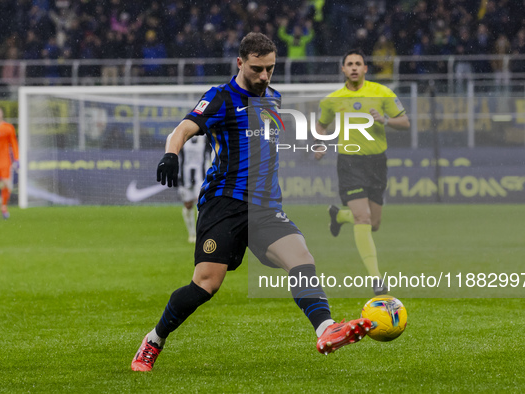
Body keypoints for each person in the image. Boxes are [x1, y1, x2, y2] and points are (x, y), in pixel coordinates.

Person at [131, 33, 372, 372]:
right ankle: (153, 341)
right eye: (257, 69)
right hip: (224, 204)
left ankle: (326, 329)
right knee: (206, 284)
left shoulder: (273, 98)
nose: (264, 76)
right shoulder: (220, 97)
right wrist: (171, 154)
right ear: (241, 63)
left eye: (270, 69)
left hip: (265, 206)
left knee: (302, 258)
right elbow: (184, 128)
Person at [314, 48, 410, 295]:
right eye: (350, 64)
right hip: (349, 163)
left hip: (377, 163)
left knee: (373, 223)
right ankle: (377, 279)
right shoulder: (332, 99)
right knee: (363, 218)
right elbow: (321, 124)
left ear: (366, 68)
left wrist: (385, 120)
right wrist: (319, 141)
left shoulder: (382, 93)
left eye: (359, 63)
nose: (354, 67)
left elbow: (405, 122)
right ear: (343, 69)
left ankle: (339, 216)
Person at [178, 134, 212, 243]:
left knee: (200, 203)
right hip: (185, 175)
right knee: (188, 204)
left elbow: (211, 155)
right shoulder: (183, 137)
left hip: (201, 176)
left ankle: (200, 232)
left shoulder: (206, 138)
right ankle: (191, 233)